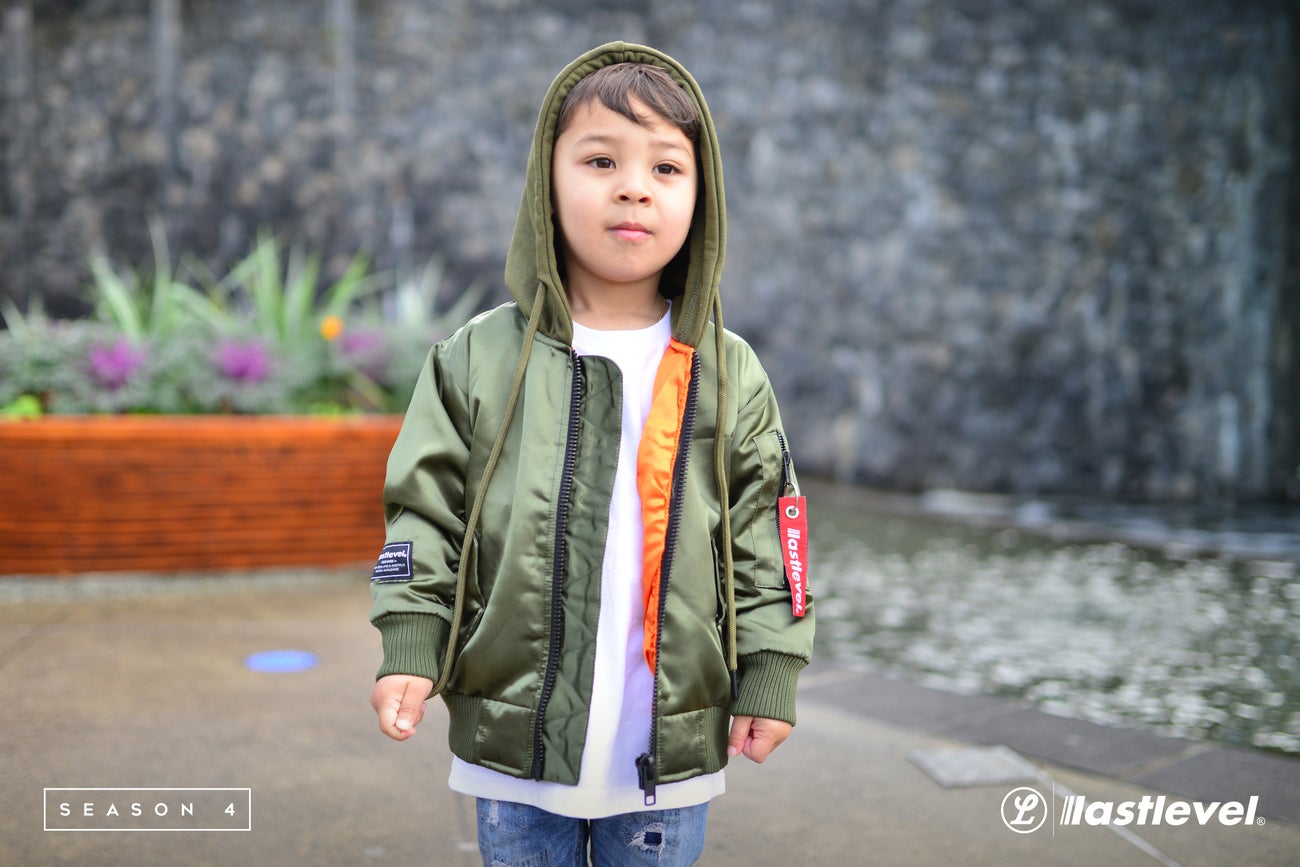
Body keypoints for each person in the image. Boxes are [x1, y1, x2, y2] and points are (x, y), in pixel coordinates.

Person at [368, 41, 814, 866]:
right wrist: (410, 642)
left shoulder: (728, 371)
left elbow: (769, 535)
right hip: (511, 749)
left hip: (669, 759)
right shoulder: (477, 358)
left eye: (666, 168)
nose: (634, 186)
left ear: (702, 199)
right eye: (601, 160)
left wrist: (771, 671)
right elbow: (423, 516)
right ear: (547, 182)